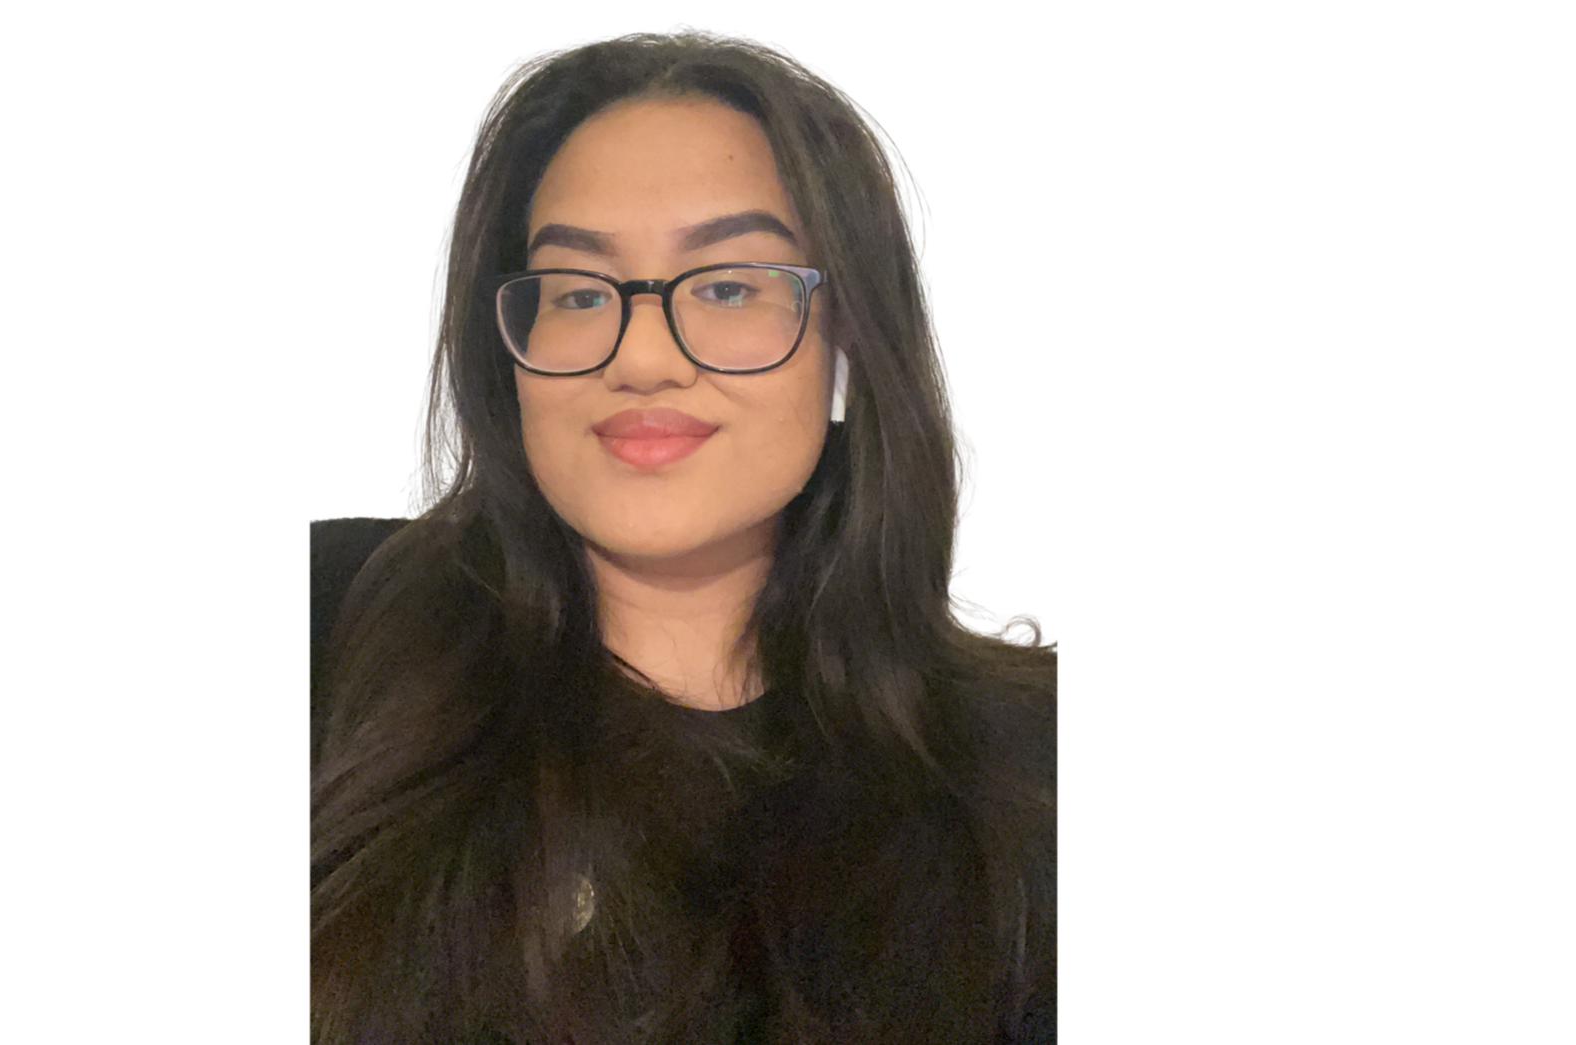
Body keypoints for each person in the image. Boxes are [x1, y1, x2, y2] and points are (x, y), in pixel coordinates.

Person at [310, 26, 1056, 1044]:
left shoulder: (1025, 767)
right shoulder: (334, 620)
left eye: (725, 285)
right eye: (577, 292)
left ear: (845, 346)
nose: (644, 356)